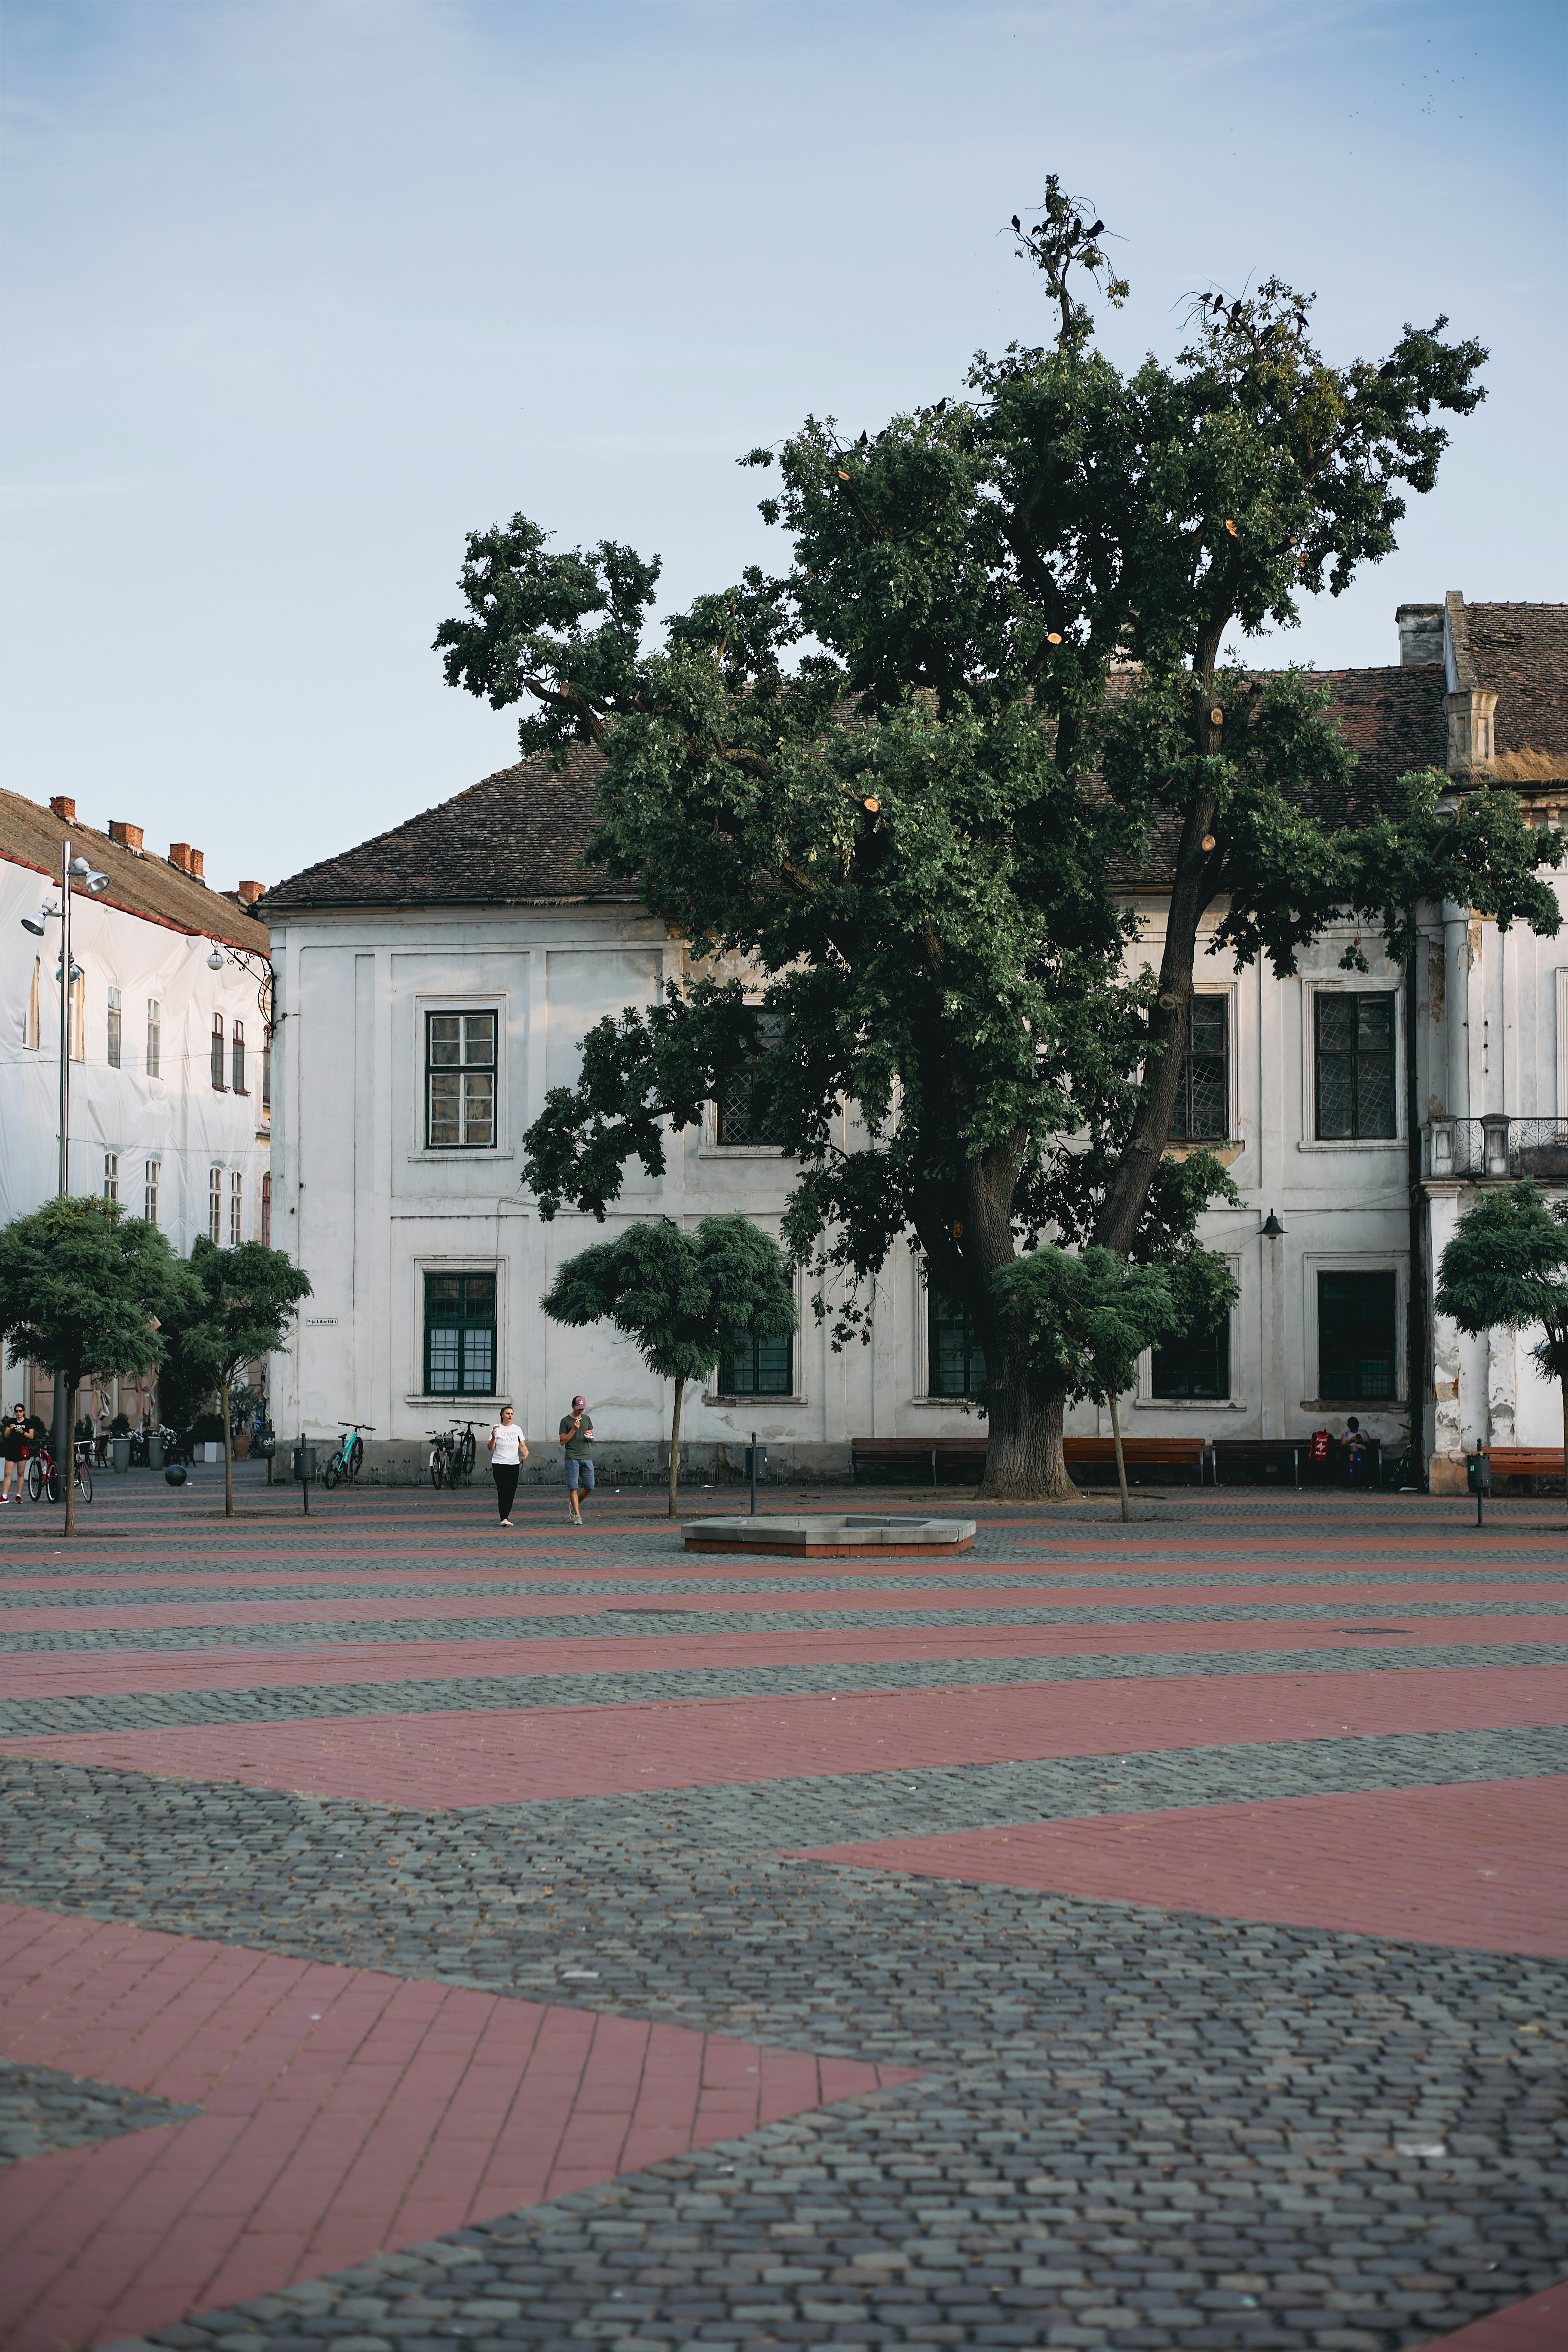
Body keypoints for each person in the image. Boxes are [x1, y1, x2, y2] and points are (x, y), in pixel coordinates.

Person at [487, 1404, 527, 1527]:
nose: (510, 1416)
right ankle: (504, 1517)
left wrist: (526, 1451)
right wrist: (494, 1437)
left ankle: (506, 1515)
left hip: (514, 1464)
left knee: (511, 1491)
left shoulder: (517, 1429)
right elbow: (490, 1447)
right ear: (502, 1415)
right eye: (508, 1413)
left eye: (512, 1414)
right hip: (499, 1464)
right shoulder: (497, 1429)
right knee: (503, 1489)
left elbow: (522, 1445)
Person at [560, 1394, 594, 1524]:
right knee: (573, 1487)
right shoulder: (565, 1421)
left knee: (590, 1486)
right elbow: (563, 1441)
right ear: (573, 1406)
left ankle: (574, 1505)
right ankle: (577, 1515)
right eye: (578, 1408)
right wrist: (574, 1429)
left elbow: (590, 1434)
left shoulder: (587, 1419)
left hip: (586, 1457)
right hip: (572, 1457)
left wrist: (590, 1439)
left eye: (582, 1409)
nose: (580, 1411)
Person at [1, 1405, 27, 1503]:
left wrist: (23, 1432)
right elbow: (6, 1435)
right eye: (17, 1411)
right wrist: (11, 1429)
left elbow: (31, 1436)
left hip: (22, 1449)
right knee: (7, 1473)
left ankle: (19, 1496)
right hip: (12, 1449)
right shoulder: (11, 1421)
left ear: (24, 1412)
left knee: (21, 1473)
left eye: (20, 1411)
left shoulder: (28, 1422)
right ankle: (5, 1496)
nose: (18, 1413)